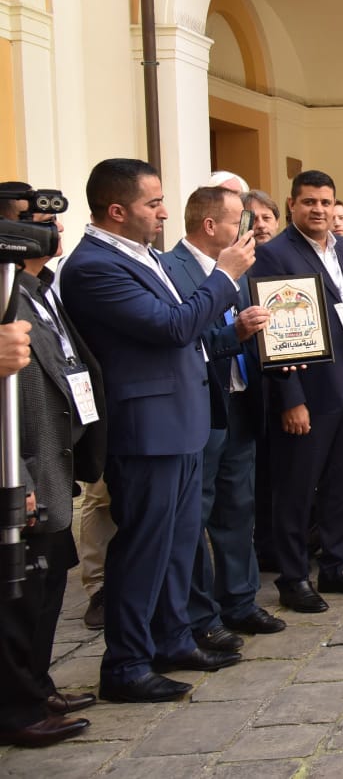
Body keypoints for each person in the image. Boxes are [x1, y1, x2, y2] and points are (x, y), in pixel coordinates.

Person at [62, 159, 255, 701]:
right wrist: (224, 276)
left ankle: (172, 638)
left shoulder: (141, 257)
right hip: (145, 429)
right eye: (154, 203)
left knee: (176, 543)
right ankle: (125, 665)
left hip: (182, 419)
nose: (165, 212)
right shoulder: (94, 265)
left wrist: (231, 332)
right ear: (117, 210)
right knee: (144, 549)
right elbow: (171, 326)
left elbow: (188, 337)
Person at [249, 170, 343, 613]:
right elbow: (271, 335)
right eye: (309, 202)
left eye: (326, 203)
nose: (319, 210)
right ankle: (293, 579)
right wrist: (291, 398)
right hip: (308, 395)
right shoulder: (273, 255)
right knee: (295, 488)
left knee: (341, 485)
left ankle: (336, 565)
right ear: (292, 205)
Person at [159, 188, 284, 646]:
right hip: (200, 408)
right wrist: (234, 332)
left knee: (238, 506)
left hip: (241, 400)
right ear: (211, 226)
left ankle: (241, 600)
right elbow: (183, 336)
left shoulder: (241, 269)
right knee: (196, 514)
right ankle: (199, 614)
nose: (248, 232)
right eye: (238, 223)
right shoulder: (170, 269)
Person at [0, 194, 102, 746]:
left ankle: (35, 685)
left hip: (58, 458)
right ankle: (17, 707)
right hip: (25, 469)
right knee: (21, 594)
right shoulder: (2, 293)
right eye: (35, 223)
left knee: (47, 586)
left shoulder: (41, 289)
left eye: (52, 221)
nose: (51, 230)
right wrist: (20, 475)